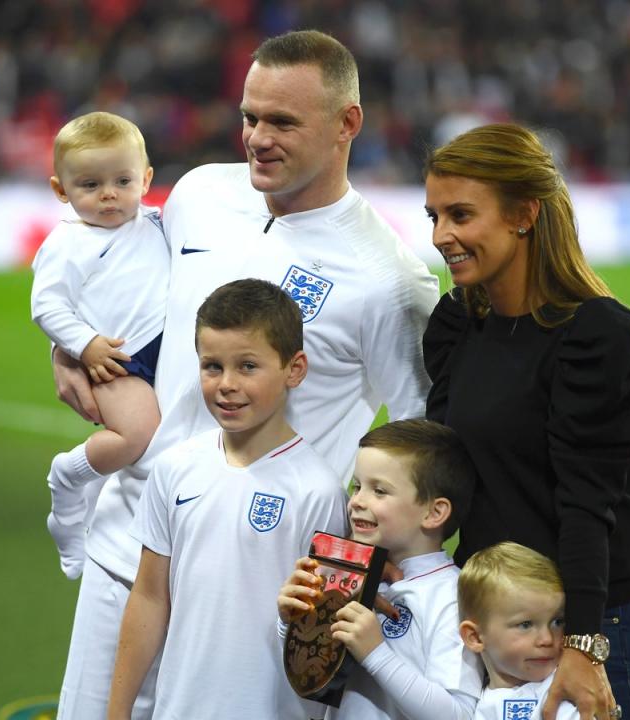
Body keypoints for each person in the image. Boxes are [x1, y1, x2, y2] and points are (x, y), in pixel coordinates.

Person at [51, 30, 439, 719]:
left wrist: (379, 583)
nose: (257, 137)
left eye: (283, 121)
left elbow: (424, 446)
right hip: (126, 551)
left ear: (347, 123)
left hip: (257, 596)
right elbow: (125, 286)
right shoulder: (200, 193)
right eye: (249, 116)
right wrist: (68, 348)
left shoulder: (390, 282)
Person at [422, 123, 630, 720]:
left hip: (588, 628)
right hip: (489, 631)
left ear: (523, 214)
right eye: (433, 215)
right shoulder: (458, 324)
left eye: (460, 214)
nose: (441, 236)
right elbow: (441, 480)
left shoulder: (595, 335)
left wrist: (583, 646)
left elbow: (587, 505)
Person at [107, 279, 348, 719]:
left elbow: (322, 638)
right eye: (212, 366)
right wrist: (117, 712)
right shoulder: (174, 468)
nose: (227, 385)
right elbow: (148, 598)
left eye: (248, 367)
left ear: (294, 369)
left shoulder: (318, 491)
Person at [30, 111, 168, 579]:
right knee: (135, 436)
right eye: (89, 184)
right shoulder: (67, 243)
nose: (109, 194)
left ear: (146, 178)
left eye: (122, 180)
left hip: (165, 353)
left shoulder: (158, 224)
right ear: (60, 190)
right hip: (115, 360)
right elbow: (46, 307)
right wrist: (83, 346)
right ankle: (69, 480)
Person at [278, 419, 483, 720]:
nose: (357, 501)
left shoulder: (452, 598)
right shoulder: (347, 578)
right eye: (357, 486)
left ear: (434, 512)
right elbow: (317, 684)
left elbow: (459, 715)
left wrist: (375, 653)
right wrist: (292, 623)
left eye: (380, 491)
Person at [458, 542, 579, 720]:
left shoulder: (564, 692)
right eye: (526, 625)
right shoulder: (471, 702)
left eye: (557, 622)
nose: (547, 639)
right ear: (475, 637)